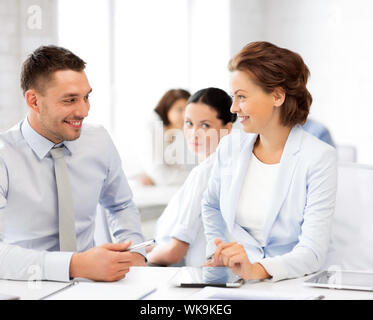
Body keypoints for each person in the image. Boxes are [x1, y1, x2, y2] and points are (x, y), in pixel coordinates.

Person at [0, 45, 146, 282]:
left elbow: (120, 205)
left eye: (86, 97)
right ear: (34, 101)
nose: (84, 111)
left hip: (93, 287)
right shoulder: (4, 157)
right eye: (70, 100)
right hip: (25, 286)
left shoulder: (98, 140)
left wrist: (136, 252)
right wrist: (74, 265)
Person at [202, 41, 337, 282]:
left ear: (277, 96)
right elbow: (210, 205)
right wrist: (218, 251)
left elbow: (312, 252)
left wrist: (258, 269)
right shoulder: (230, 147)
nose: (234, 107)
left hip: (291, 284)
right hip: (234, 282)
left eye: (241, 97)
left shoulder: (318, 158)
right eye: (234, 96)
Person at [147, 88, 236, 266]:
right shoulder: (216, 167)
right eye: (188, 123)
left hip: (188, 274)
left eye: (205, 125)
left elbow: (174, 252)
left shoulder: (205, 173)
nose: (194, 132)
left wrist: (139, 260)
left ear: (227, 129)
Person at [138, 89, 195, 186]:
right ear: (167, 109)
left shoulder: (177, 132)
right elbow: (159, 175)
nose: (185, 116)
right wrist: (196, 176)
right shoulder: (152, 130)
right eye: (179, 109)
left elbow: (174, 169)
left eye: (188, 110)